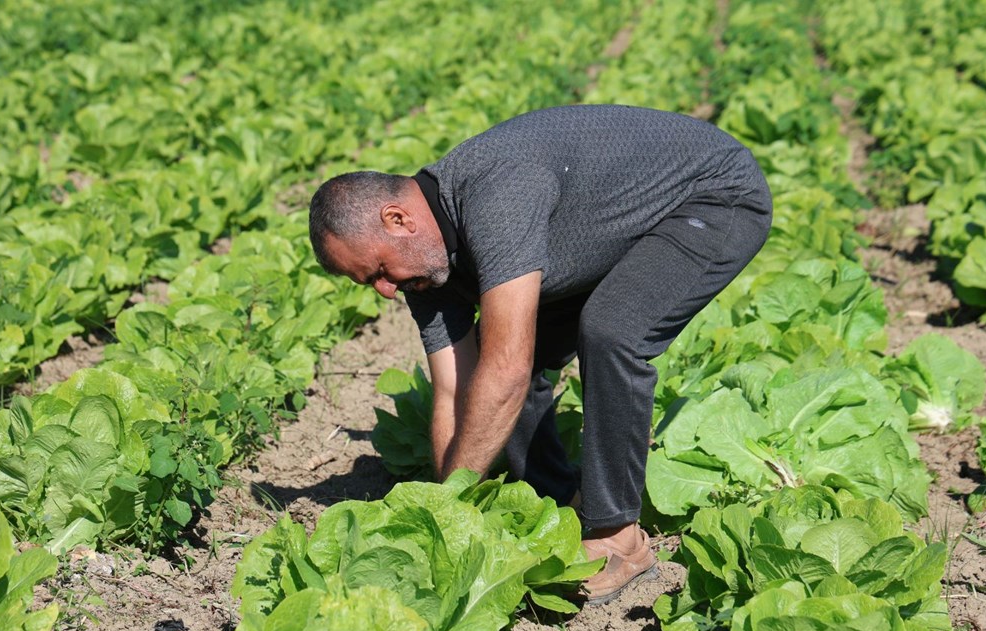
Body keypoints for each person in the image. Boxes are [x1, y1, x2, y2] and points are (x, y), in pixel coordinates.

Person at [307, 104, 771, 605]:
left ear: (397, 220)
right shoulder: (424, 270)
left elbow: (507, 372)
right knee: (494, 369)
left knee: (611, 330)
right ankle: (563, 502)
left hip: (712, 196)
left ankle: (619, 537)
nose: (384, 291)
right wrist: (441, 511)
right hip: (613, 225)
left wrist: (451, 504)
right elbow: (454, 390)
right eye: (369, 282)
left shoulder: (495, 195)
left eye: (377, 270)